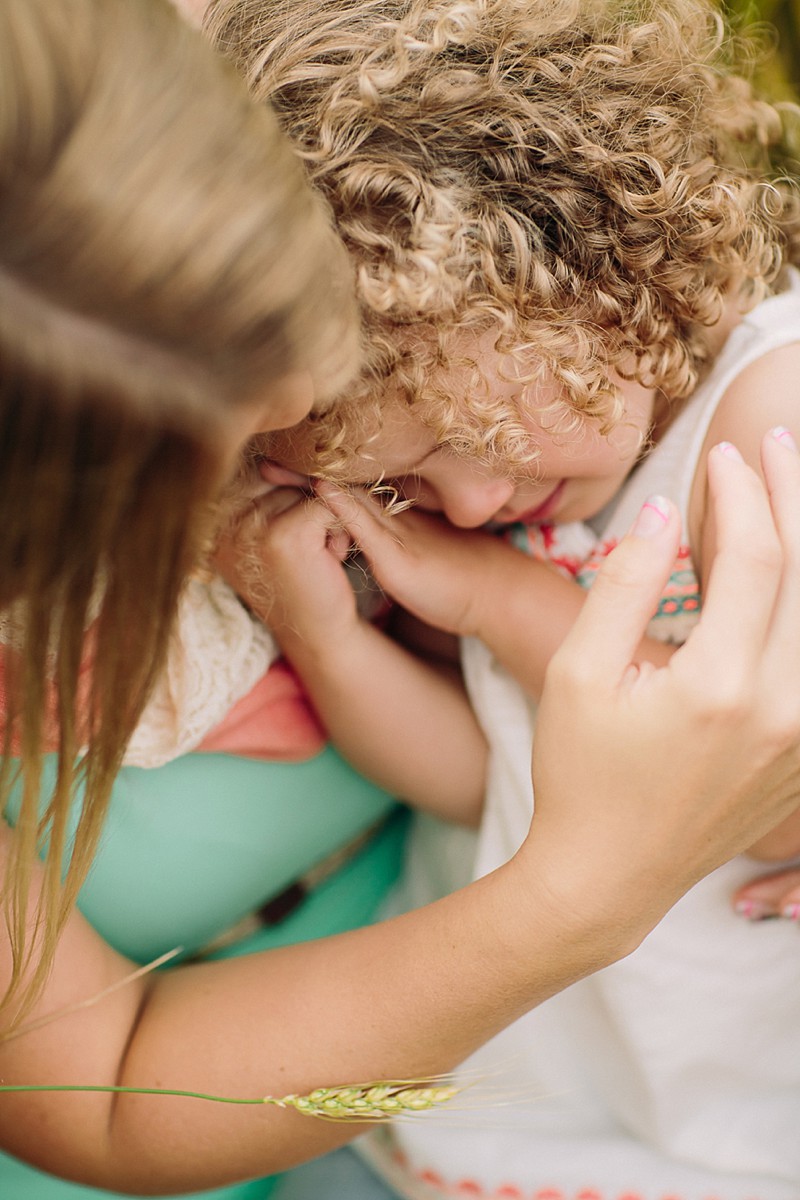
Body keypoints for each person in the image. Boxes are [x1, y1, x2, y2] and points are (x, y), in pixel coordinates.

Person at [3, 6, 800, 1200]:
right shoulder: (514, 500)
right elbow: (487, 769)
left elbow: (765, 794)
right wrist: (328, 631)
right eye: (401, 478)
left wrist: (503, 601)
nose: (472, 505)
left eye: (461, 439)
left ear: (577, 252)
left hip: (709, 1117)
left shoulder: (760, 428)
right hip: (507, 1107)